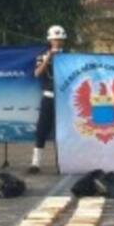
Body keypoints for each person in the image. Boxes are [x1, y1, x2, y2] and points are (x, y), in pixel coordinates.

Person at [28, 25, 66, 174]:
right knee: (42, 129)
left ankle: (64, 162)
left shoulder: (68, 56)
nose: (57, 42)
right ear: (49, 40)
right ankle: (35, 163)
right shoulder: (41, 56)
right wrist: (48, 58)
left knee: (64, 130)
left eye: (60, 39)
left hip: (64, 99)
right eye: (55, 39)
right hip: (48, 96)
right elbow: (37, 74)